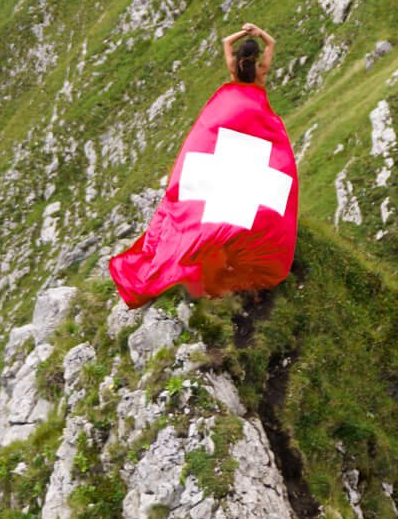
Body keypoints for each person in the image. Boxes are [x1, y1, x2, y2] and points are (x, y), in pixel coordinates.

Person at [109, 20, 298, 307]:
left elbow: (225, 42)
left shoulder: (234, 68)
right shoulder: (261, 72)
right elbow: (272, 44)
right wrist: (259, 32)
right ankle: (238, 234)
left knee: (221, 166)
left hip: (230, 117)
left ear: (236, 60)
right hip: (253, 119)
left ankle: (210, 234)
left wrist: (242, 33)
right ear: (257, 60)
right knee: (261, 166)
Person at [223, 21, 275, 87]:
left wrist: (246, 32)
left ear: (240, 51)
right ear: (256, 55)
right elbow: (271, 43)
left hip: (238, 97)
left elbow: (226, 41)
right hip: (255, 97)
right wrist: (258, 31)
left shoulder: (233, 67)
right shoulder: (261, 70)